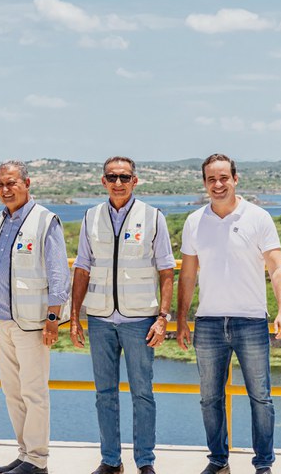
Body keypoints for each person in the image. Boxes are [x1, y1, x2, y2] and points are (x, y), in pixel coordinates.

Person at [176, 154, 281, 474]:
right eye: (211, 179)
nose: (218, 184)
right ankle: (218, 460)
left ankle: (263, 464)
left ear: (235, 179)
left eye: (223, 177)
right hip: (209, 322)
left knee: (261, 398)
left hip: (251, 320)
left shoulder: (258, 217)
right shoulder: (194, 221)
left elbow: (277, 267)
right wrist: (182, 319)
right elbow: (187, 274)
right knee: (209, 399)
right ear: (204, 183)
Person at [69, 156, 175, 474]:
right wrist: (75, 317)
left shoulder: (153, 217)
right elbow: (82, 268)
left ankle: (145, 461)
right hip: (100, 318)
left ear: (135, 180)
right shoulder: (91, 217)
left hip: (141, 319)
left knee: (143, 393)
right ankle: (111, 461)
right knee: (105, 395)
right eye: (112, 177)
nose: (118, 183)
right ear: (103, 181)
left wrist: (163, 317)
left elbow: (167, 270)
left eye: (124, 177)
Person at [0, 160, 71, 474]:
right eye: (1, 184)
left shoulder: (46, 220)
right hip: (2, 320)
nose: (6, 189)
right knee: (13, 393)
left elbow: (59, 275)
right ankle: (24, 454)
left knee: (34, 393)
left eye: (12, 183)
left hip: (32, 324)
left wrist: (53, 319)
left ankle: (38, 460)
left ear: (27, 184)